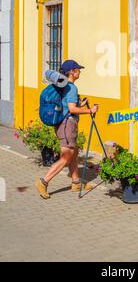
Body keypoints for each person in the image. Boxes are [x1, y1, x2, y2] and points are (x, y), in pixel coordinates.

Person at [35, 60, 98, 200]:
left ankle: (76, 182)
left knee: (73, 152)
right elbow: (71, 109)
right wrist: (90, 110)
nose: (80, 72)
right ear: (72, 71)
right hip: (67, 125)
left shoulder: (66, 86)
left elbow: (68, 105)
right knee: (66, 156)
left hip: (66, 123)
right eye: (78, 70)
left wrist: (80, 104)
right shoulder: (72, 88)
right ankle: (43, 182)